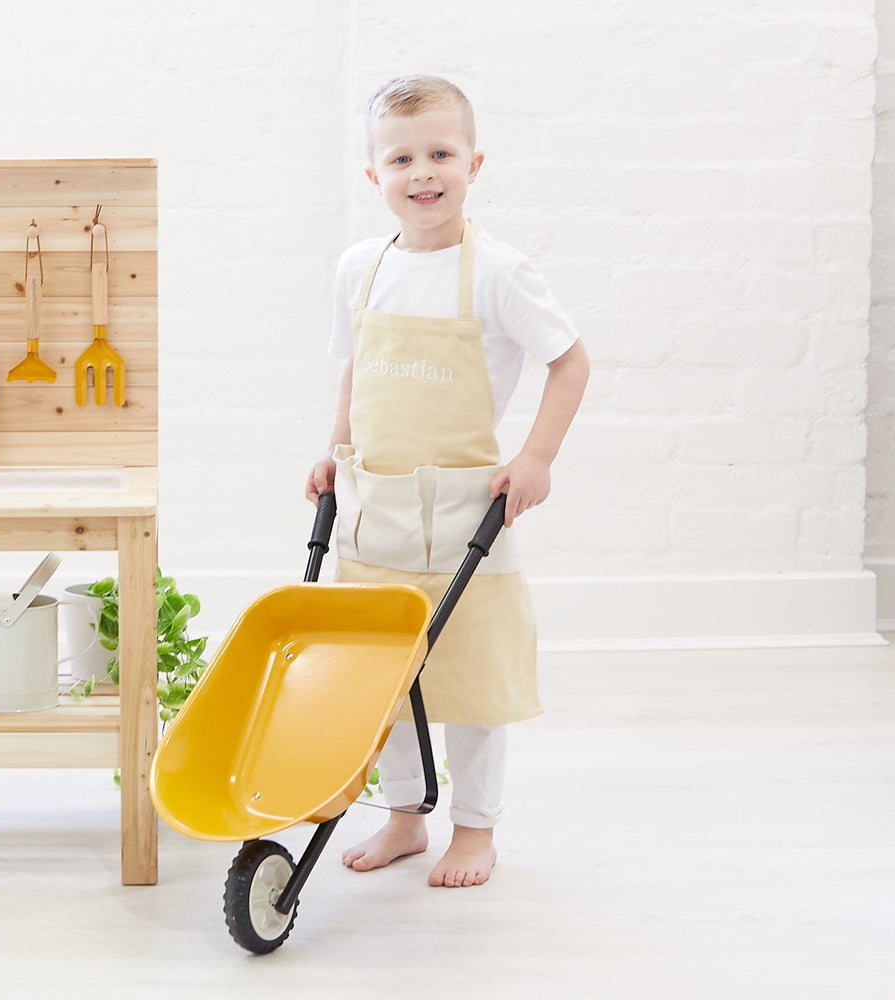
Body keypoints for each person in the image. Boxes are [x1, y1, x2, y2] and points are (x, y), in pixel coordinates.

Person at [305, 75, 590, 888]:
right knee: (382, 680)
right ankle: (404, 818)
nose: (422, 171)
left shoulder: (499, 270)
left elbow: (569, 361)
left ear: (475, 163)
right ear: (374, 177)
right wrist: (334, 450)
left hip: (469, 513)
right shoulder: (360, 269)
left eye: (441, 153)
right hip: (372, 513)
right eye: (402, 157)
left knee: (470, 681)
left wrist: (534, 458)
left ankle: (475, 828)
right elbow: (359, 372)